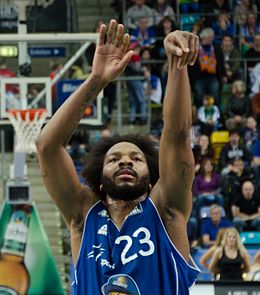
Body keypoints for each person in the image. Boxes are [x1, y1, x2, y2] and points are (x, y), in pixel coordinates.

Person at [36, 19, 200, 294]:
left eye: (136, 159)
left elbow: (177, 135)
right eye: (113, 160)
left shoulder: (165, 210)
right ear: (100, 182)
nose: (125, 161)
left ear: (151, 182)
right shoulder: (83, 216)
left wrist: (177, 63)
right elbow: (47, 147)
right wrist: (96, 80)